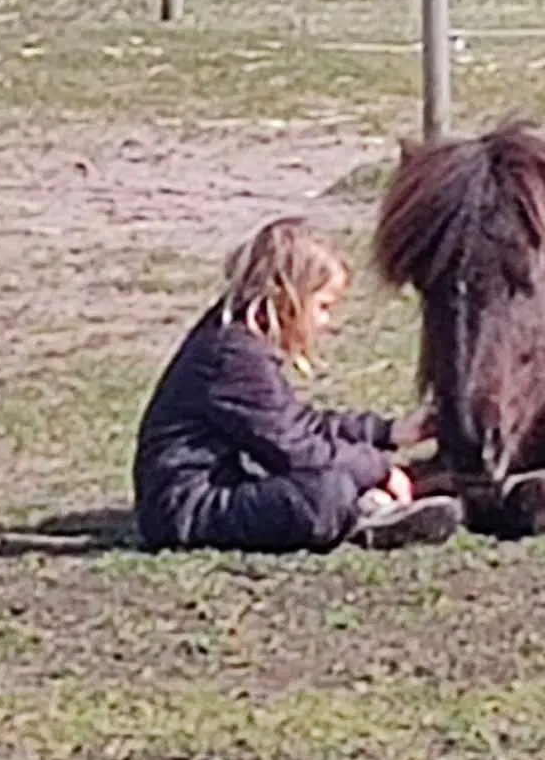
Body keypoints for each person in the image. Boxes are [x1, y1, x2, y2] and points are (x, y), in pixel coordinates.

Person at [133, 216, 460, 553]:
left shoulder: (235, 343)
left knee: (330, 480)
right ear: (287, 298)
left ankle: (369, 509)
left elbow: (296, 425)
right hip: (187, 509)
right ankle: (365, 511)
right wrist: (379, 468)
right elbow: (298, 449)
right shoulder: (231, 358)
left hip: (221, 486)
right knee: (323, 493)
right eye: (322, 307)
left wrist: (388, 433)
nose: (326, 322)